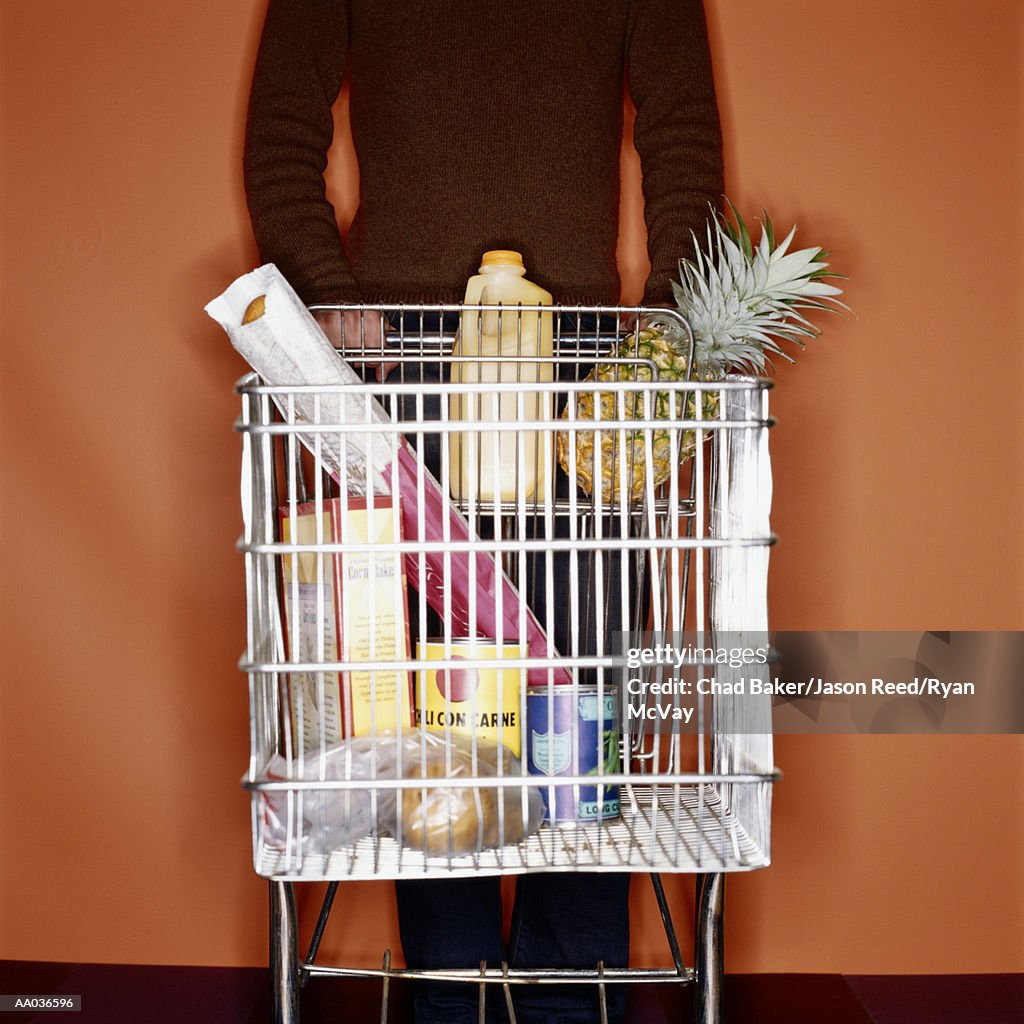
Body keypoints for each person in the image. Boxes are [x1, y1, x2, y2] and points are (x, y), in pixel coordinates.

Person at [243, 3, 723, 1022]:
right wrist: (330, 300)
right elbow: (282, 127)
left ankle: (571, 1004)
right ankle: (449, 1000)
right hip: (402, 359)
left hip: (584, 356)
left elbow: (680, 131)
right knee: (427, 720)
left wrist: (671, 331)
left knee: (578, 710)